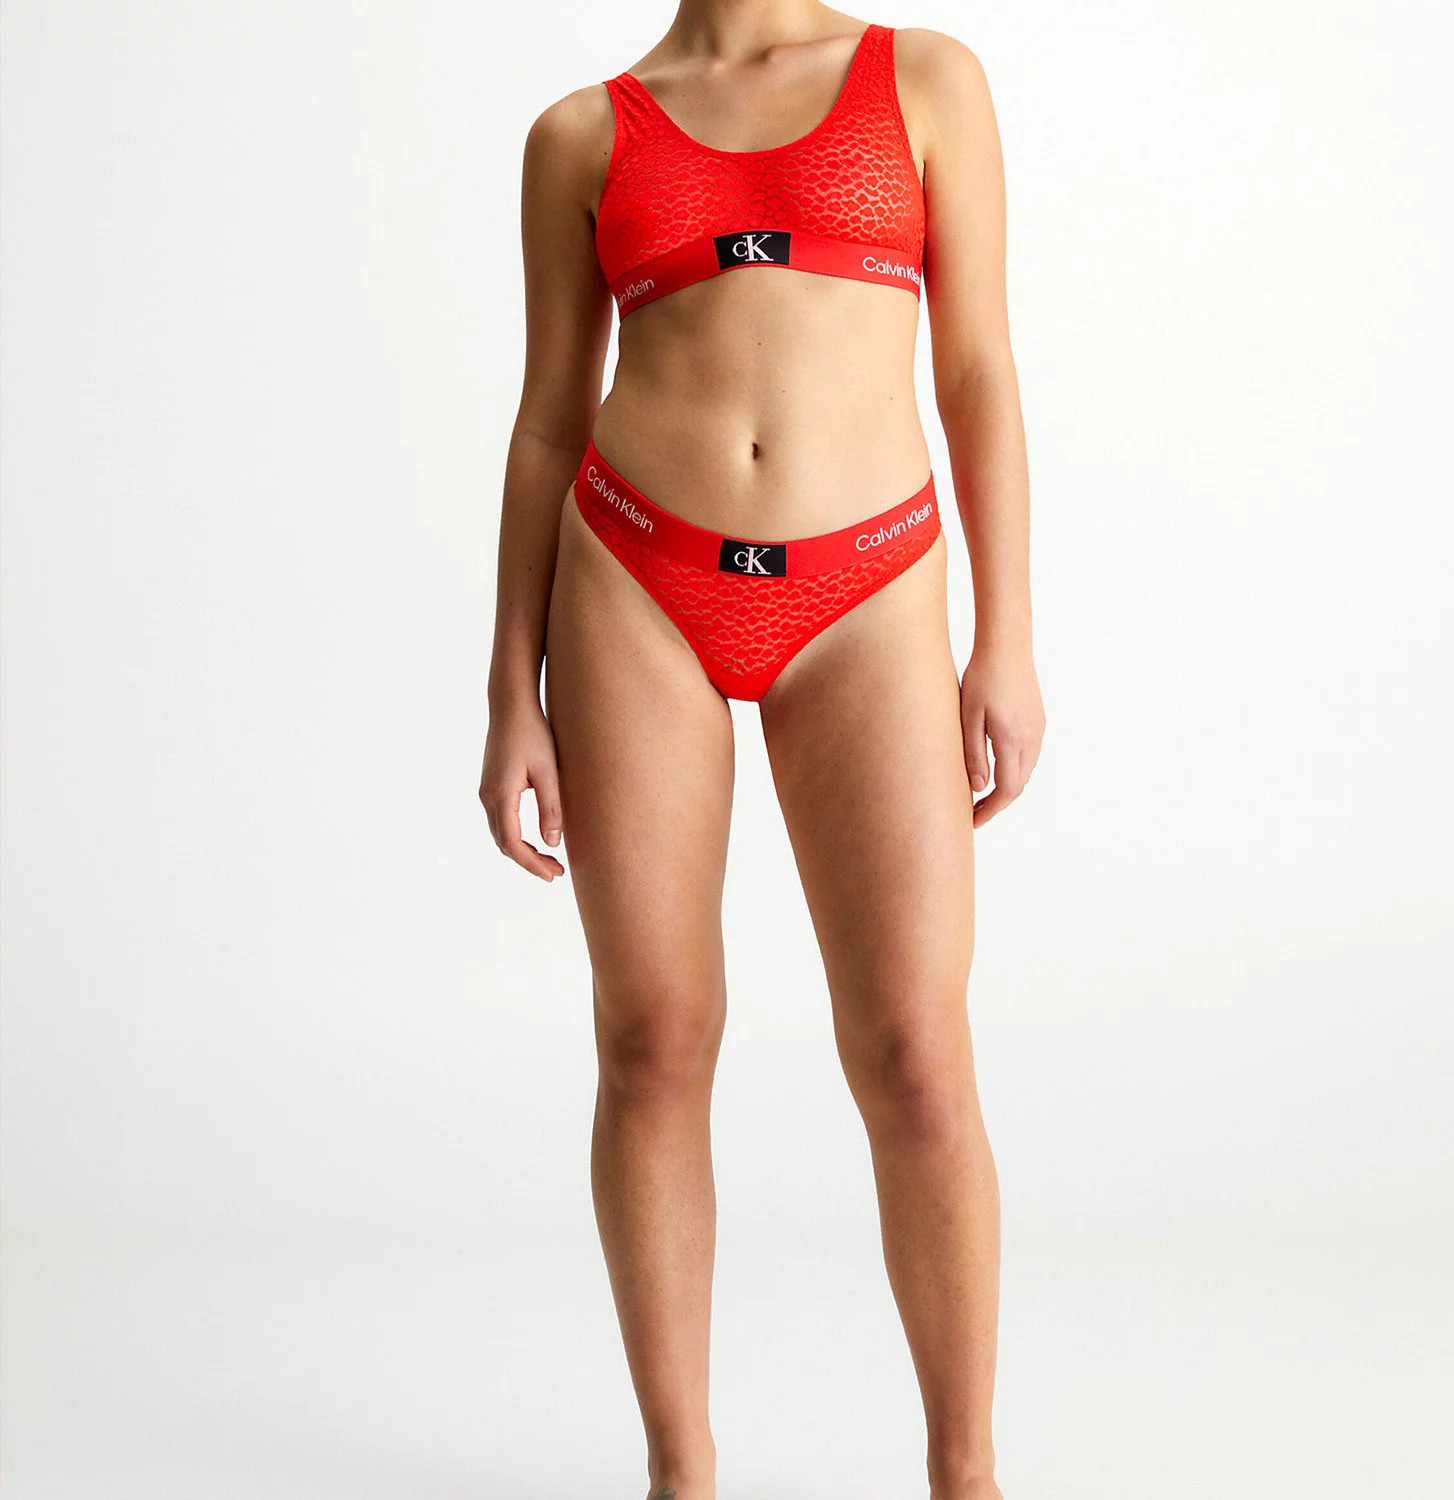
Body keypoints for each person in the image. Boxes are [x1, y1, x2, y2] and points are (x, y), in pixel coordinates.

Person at [479, 4, 1044, 1496]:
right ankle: (681, 1472)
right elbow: (546, 425)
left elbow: (979, 370)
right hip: (636, 581)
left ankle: (967, 1475)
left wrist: (1006, 636)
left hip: (869, 592)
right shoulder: (581, 135)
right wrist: (511, 691)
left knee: (915, 1051)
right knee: (654, 1038)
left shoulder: (923, 81)